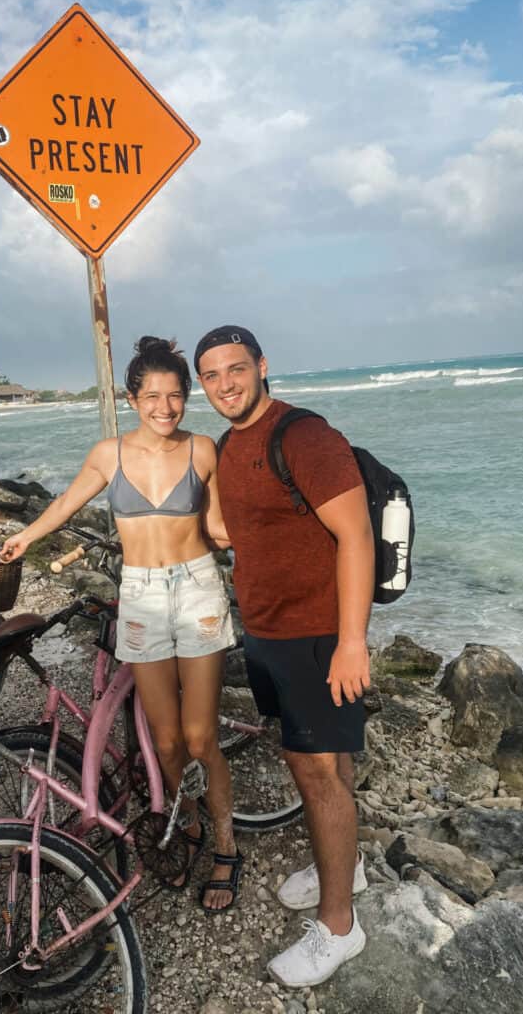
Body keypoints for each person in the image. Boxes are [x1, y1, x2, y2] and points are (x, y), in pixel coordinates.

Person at [0, 336, 243, 913]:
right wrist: (26, 537)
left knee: (200, 736)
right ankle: (182, 822)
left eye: (177, 396)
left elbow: (221, 528)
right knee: (163, 740)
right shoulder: (108, 455)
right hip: (139, 593)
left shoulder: (204, 450)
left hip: (199, 589)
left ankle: (227, 846)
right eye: (153, 396)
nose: (166, 407)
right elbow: (65, 503)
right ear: (132, 397)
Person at [194, 325, 374, 985]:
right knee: (327, 759)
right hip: (268, 632)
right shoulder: (229, 444)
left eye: (236, 369)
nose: (225, 385)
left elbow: (356, 537)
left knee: (315, 773)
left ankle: (338, 927)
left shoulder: (304, 437)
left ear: (262, 366)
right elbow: (229, 529)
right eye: (211, 376)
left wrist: (351, 643)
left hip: (320, 633)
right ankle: (346, 866)